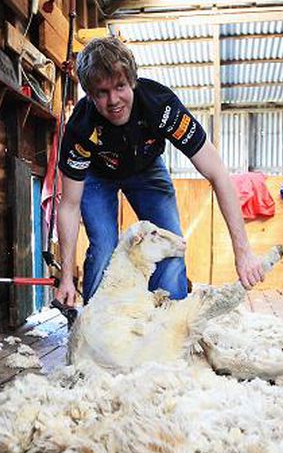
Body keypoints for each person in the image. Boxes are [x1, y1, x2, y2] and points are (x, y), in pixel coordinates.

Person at [54, 36, 266, 306]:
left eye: (120, 86)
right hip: (98, 175)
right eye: (102, 93)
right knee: (104, 247)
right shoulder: (80, 130)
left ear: (132, 81)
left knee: (172, 244)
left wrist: (243, 251)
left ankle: (168, 325)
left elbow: (218, 174)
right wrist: (67, 278)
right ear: (89, 94)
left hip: (146, 167)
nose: (114, 100)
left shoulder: (161, 107)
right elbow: (69, 206)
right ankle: (96, 326)